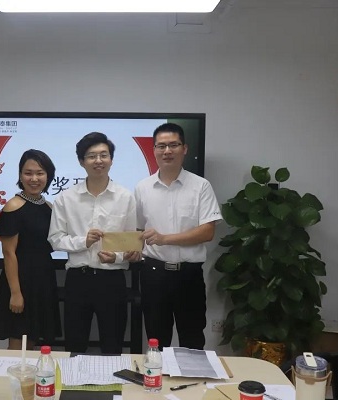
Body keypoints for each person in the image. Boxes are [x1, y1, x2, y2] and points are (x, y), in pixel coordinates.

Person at [48, 132, 141, 354]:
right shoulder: (66, 199)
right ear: (82, 161)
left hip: (113, 281)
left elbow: (131, 242)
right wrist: (84, 241)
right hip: (78, 280)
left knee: (113, 345)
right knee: (75, 345)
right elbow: (55, 239)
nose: (98, 160)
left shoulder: (125, 197)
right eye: (91, 156)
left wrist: (117, 256)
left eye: (103, 155)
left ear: (111, 159)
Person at [135, 122, 222, 349]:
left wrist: (164, 239)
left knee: (192, 339)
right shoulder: (142, 188)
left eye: (173, 145)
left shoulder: (201, 186)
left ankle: (191, 374)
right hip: (153, 274)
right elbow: (137, 230)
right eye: (161, 146)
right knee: (156, 340)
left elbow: (207, 231)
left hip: (188, 275)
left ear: (185, 149)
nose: (167, 151)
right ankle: (158, 374)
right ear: (154, 150)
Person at [0, 149, 61, 350]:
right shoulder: (13, 206)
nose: (34, 178)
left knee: (35, 340)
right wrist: (15, 293)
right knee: (19, 342)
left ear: (48, 175)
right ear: (20, 175)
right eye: (28, 173)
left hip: (43, 279)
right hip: (21, 280)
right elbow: (8, 253)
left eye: (40, 173)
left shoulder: (49, 207)